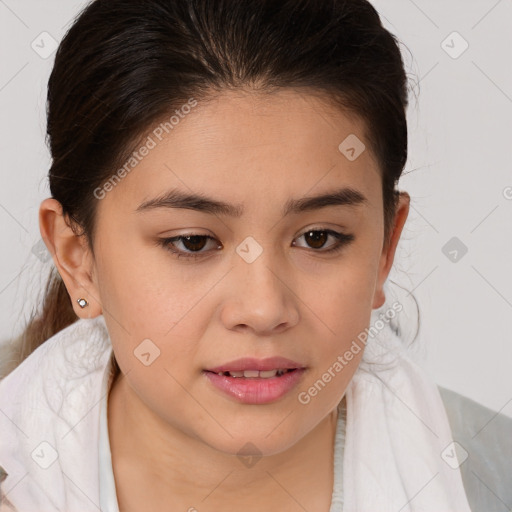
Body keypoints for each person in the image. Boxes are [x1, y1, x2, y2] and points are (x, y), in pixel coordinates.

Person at [0, 0, 510, 510]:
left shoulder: (493, 477)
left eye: (318, 238)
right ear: (77, 258)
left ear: (384, 247)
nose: (264, 309)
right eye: (193, 242)